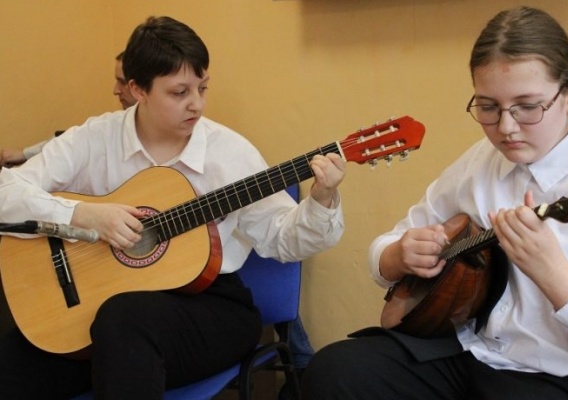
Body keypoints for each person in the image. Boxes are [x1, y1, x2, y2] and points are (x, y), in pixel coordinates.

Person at [302, 6, 568, 400]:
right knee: (336, 371)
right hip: (474, 354)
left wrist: (554, 274)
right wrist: (398, 254)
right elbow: (387, 248)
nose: (506, 128)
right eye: (488, 107)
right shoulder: (482, 160)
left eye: (527, 106)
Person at [0, 15, 345, 400]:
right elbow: (5, 190)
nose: (196, 104)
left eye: (202, 87)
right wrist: (82, 214)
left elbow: (284, 240)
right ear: (138, 89)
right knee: (13, 365)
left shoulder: (228, 152)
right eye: (180, 92)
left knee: (124, 322)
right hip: (100, 313)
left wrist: (323, 199)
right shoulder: (96, 137)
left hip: (210, 307)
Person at [0, 52, 136, 168]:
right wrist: (23, 154)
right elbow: (69, 142)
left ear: (140, 86)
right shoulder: (108, 127)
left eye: (122, 82)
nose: (115, 91)